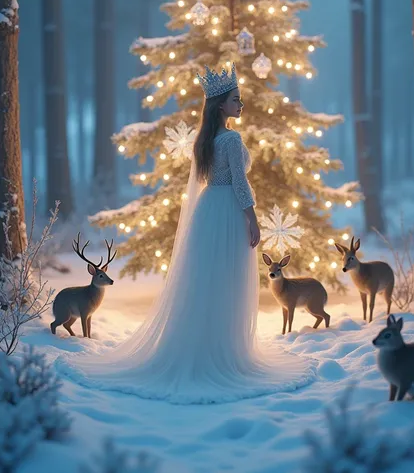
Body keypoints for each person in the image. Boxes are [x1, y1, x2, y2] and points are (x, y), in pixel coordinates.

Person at [58, 64, 315, 403]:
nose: (242, 105)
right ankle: (223, 349)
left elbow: (214, 180)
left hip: (207, 211)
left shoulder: (204, 140)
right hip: (227, 213)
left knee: (205, 279)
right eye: (236, 100)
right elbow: (240, 182)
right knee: (225, 280)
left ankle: (201, 343)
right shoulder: (232, 138)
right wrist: (252, 218)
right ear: (221, 104)